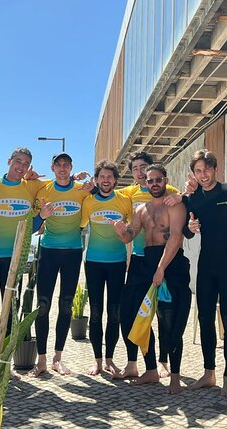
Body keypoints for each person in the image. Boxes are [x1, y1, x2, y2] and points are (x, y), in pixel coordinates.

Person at [114, 164, 191, 395]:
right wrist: (120, 230)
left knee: (170, 321)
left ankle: (175, 376)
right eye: (151, 181)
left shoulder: (175, 204)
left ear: (165, 180)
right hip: (146, 263)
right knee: (131, 315)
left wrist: (161, 269)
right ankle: (150, 369)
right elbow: (130, 236)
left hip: (171, 263)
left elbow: (176, 237)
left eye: (159, 180)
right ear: (145, 183)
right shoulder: (141, 210)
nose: (155, 184)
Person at [0, 147, 51, 366]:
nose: (21, 167)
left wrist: (42, 217)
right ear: (9, 160)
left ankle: (4, 360)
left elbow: (31, 227)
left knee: (11, 309)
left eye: (26, 164)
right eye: (18, 161)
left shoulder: (33, 187)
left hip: (14, 258)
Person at [183, 150, 227, 397]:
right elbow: (186, 233)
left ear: (215, 169)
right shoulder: (192, 198)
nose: (203, 175)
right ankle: (209, 373)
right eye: (198, 171)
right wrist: (189, 228)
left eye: (206, 169)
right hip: (206, 266)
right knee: (204, 319)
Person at [31, 152, 91, 377]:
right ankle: (42, 360)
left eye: (67, 165)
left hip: (73, 253)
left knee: (66, 304)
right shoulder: (44, 191)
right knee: (43, 305)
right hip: (48, 252)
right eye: (59, 165)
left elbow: (97, 195)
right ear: (53, 168)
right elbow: (35, 225)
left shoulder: (80, 190)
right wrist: (42, 216)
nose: (63, 168)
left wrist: (89, 184)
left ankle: (58, 358)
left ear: (71, 167)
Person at [80, 160, 132, 376]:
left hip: (117, 263)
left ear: (115, 180)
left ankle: (110, 359)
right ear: (96, 179)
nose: (106, 180)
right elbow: (79, 224)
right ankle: (97, 360)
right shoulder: (89, 202)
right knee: (95, 312)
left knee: (114, 313)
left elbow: (133, 227)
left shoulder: (124, 201)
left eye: (109, 177)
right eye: (102, 176)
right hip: (93, 262)